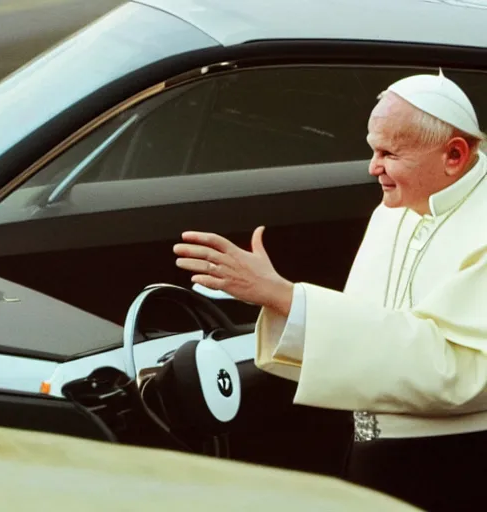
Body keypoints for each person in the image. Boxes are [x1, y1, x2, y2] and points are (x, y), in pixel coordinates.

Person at [173, 71, 487, 511]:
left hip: (451, 466)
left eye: (388, 153)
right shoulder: (393, 209)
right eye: (372, 149)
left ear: (454, 155)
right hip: (366, 450)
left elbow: (462, 371)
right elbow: (367, 326)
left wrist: (287, 296)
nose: (372, 167)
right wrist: (273, 297)